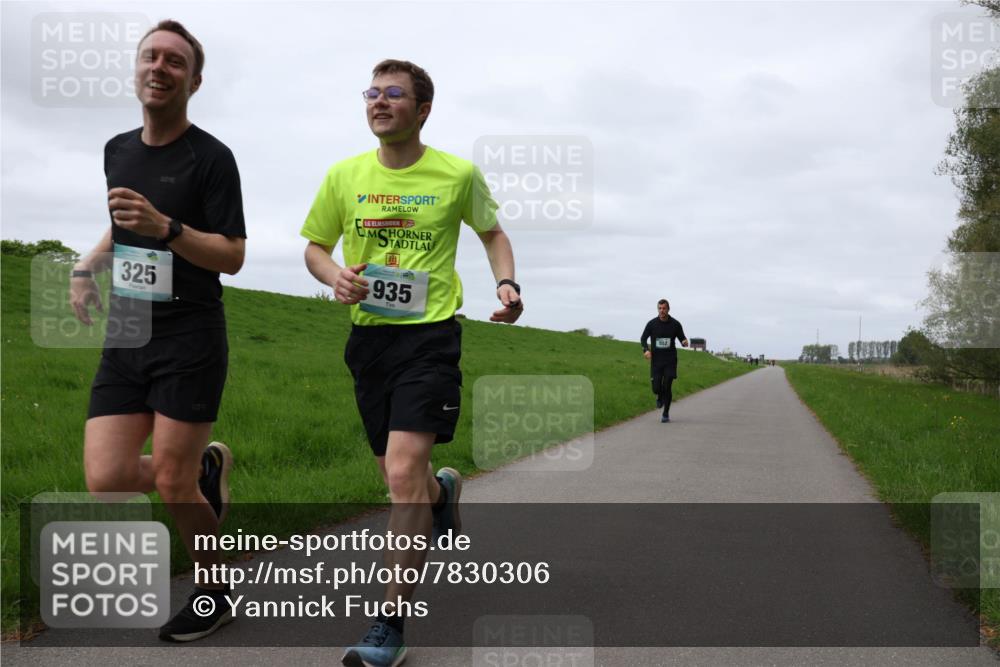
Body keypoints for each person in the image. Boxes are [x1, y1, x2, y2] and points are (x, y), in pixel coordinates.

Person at [302, 58, 522, 667]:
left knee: (401, 478)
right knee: (404, 477)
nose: (378, 102)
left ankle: (389, 622)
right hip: (368, 343)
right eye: (371, 93)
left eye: (393, 94)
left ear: (422, 109)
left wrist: (506, 284)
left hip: (430, 338)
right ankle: (442, 491)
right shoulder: (344, 176)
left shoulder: (457, 173)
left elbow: (492, 233)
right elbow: (316, 248)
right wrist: (336, 277)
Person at [69, 19, 245, 642]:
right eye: (151, 56)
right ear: (137, 69)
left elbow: (231, 254)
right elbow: (122, 226)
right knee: (107, 478)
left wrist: (167, 225)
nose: (160, 67)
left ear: (193, 80)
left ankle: (214, 591)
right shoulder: (118, 149)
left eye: (175, 61)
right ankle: (203, 475)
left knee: (168, 477)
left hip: (190, 334)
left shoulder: (212, 158)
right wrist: (88, 265)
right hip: (128, 327)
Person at [640, 299, 688, 423]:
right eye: (660, 308)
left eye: (664, 308)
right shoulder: (652, 324)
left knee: (667, 386)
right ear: (658, 309)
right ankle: (659, 396)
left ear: (668, 309)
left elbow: (682, 337)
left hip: (670, 360)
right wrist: (646, 350)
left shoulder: (675, 324)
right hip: (656, 361)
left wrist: (684, 342)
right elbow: (643, 338)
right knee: (656, 388)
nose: (662, 311)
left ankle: (665, 413)